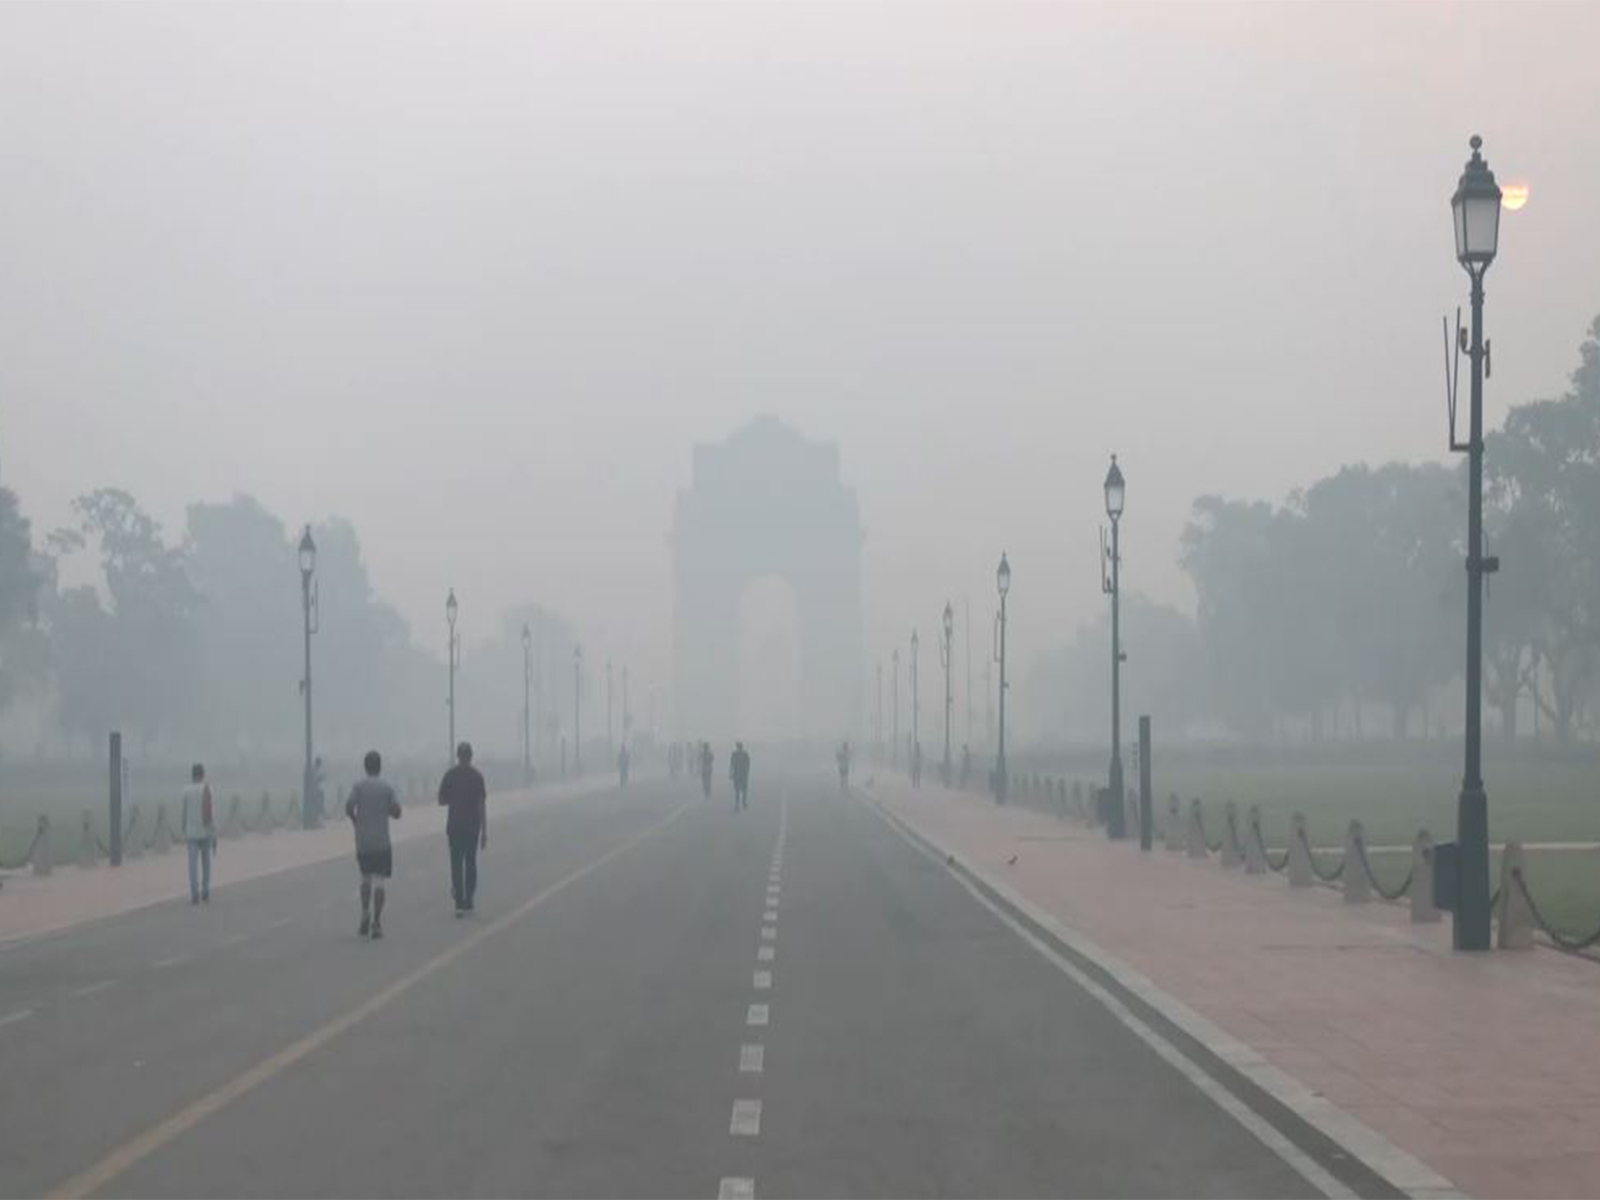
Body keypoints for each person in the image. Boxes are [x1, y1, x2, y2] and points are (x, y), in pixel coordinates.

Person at [346, 750, 402, 939]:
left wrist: (356, 821)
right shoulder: (387, 788)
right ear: (380, 766)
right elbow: (397, 811)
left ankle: (364, 911)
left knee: (365, 878)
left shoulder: (358, 787)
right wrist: (389, 811)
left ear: (365, 766)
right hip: (381, 842)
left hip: (363, 842)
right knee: (379, 881)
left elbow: (348, 806)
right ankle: (376, 922)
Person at [439, 741, 488, 917]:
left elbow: (441, 800)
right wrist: (484, 831)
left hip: (454, 826)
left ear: (458, 756)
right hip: (472, 827)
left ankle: (459, 900)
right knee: (470, 862)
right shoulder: (477, 777)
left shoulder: (450, 775)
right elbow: (481, 804)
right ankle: (469, 899)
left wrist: (454, 798)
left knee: (456, 863)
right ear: (471, 756)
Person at [179, 762, 216, 905]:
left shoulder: (186, 791)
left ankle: (194, 893)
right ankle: (205, 891)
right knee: (206, 863)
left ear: (192, 775)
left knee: (192, 865)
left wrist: (183, 829)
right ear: (203, 774)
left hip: (191, 832)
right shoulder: (208, 789)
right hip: (205, 831)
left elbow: (184, 813)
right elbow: (212, 812)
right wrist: (214, 833)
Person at [730, 741, 751, 811]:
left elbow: (732, 764)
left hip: (737, 774)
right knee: (744, 789)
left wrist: (731, 773)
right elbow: (748, 764)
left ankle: (737, 804)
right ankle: (744, 803)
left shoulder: (734, 754)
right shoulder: (745, 754)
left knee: (737, 790)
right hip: (743, 774)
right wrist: (747, 772)